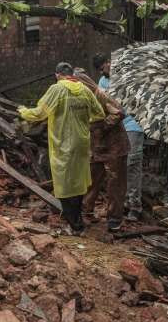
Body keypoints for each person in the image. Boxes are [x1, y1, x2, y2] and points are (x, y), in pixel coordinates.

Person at [18, 62, 105, 234]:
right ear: (72, 74)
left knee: (64, 184)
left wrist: (23, 111)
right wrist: (82, 122)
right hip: (81, 143)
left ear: (57, 75)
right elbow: (99, 114)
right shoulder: (85, 90)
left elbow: (39, 113)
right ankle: (78, 220)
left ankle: (74, 224)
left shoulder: (57, 89)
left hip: (63, 143)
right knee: (79, 182)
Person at [94, 53, 145, 221]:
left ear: (109, 62)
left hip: (133, 124)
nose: (103, 72)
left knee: (132, 164)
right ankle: (119, 206)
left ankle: (134, 206)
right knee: (118, 168)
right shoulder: (103, 81)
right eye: (100, 70)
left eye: (103, 68)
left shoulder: (128, 75)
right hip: (115, 127)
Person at [77, 70, 129, 232]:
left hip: (114, 145)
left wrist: (103, 126)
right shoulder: (79, 99)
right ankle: (86, 211)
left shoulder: (101, 95)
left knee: (115, 183)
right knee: (91, 179)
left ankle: (114, 218)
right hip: (96, 146)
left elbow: (119, 112)